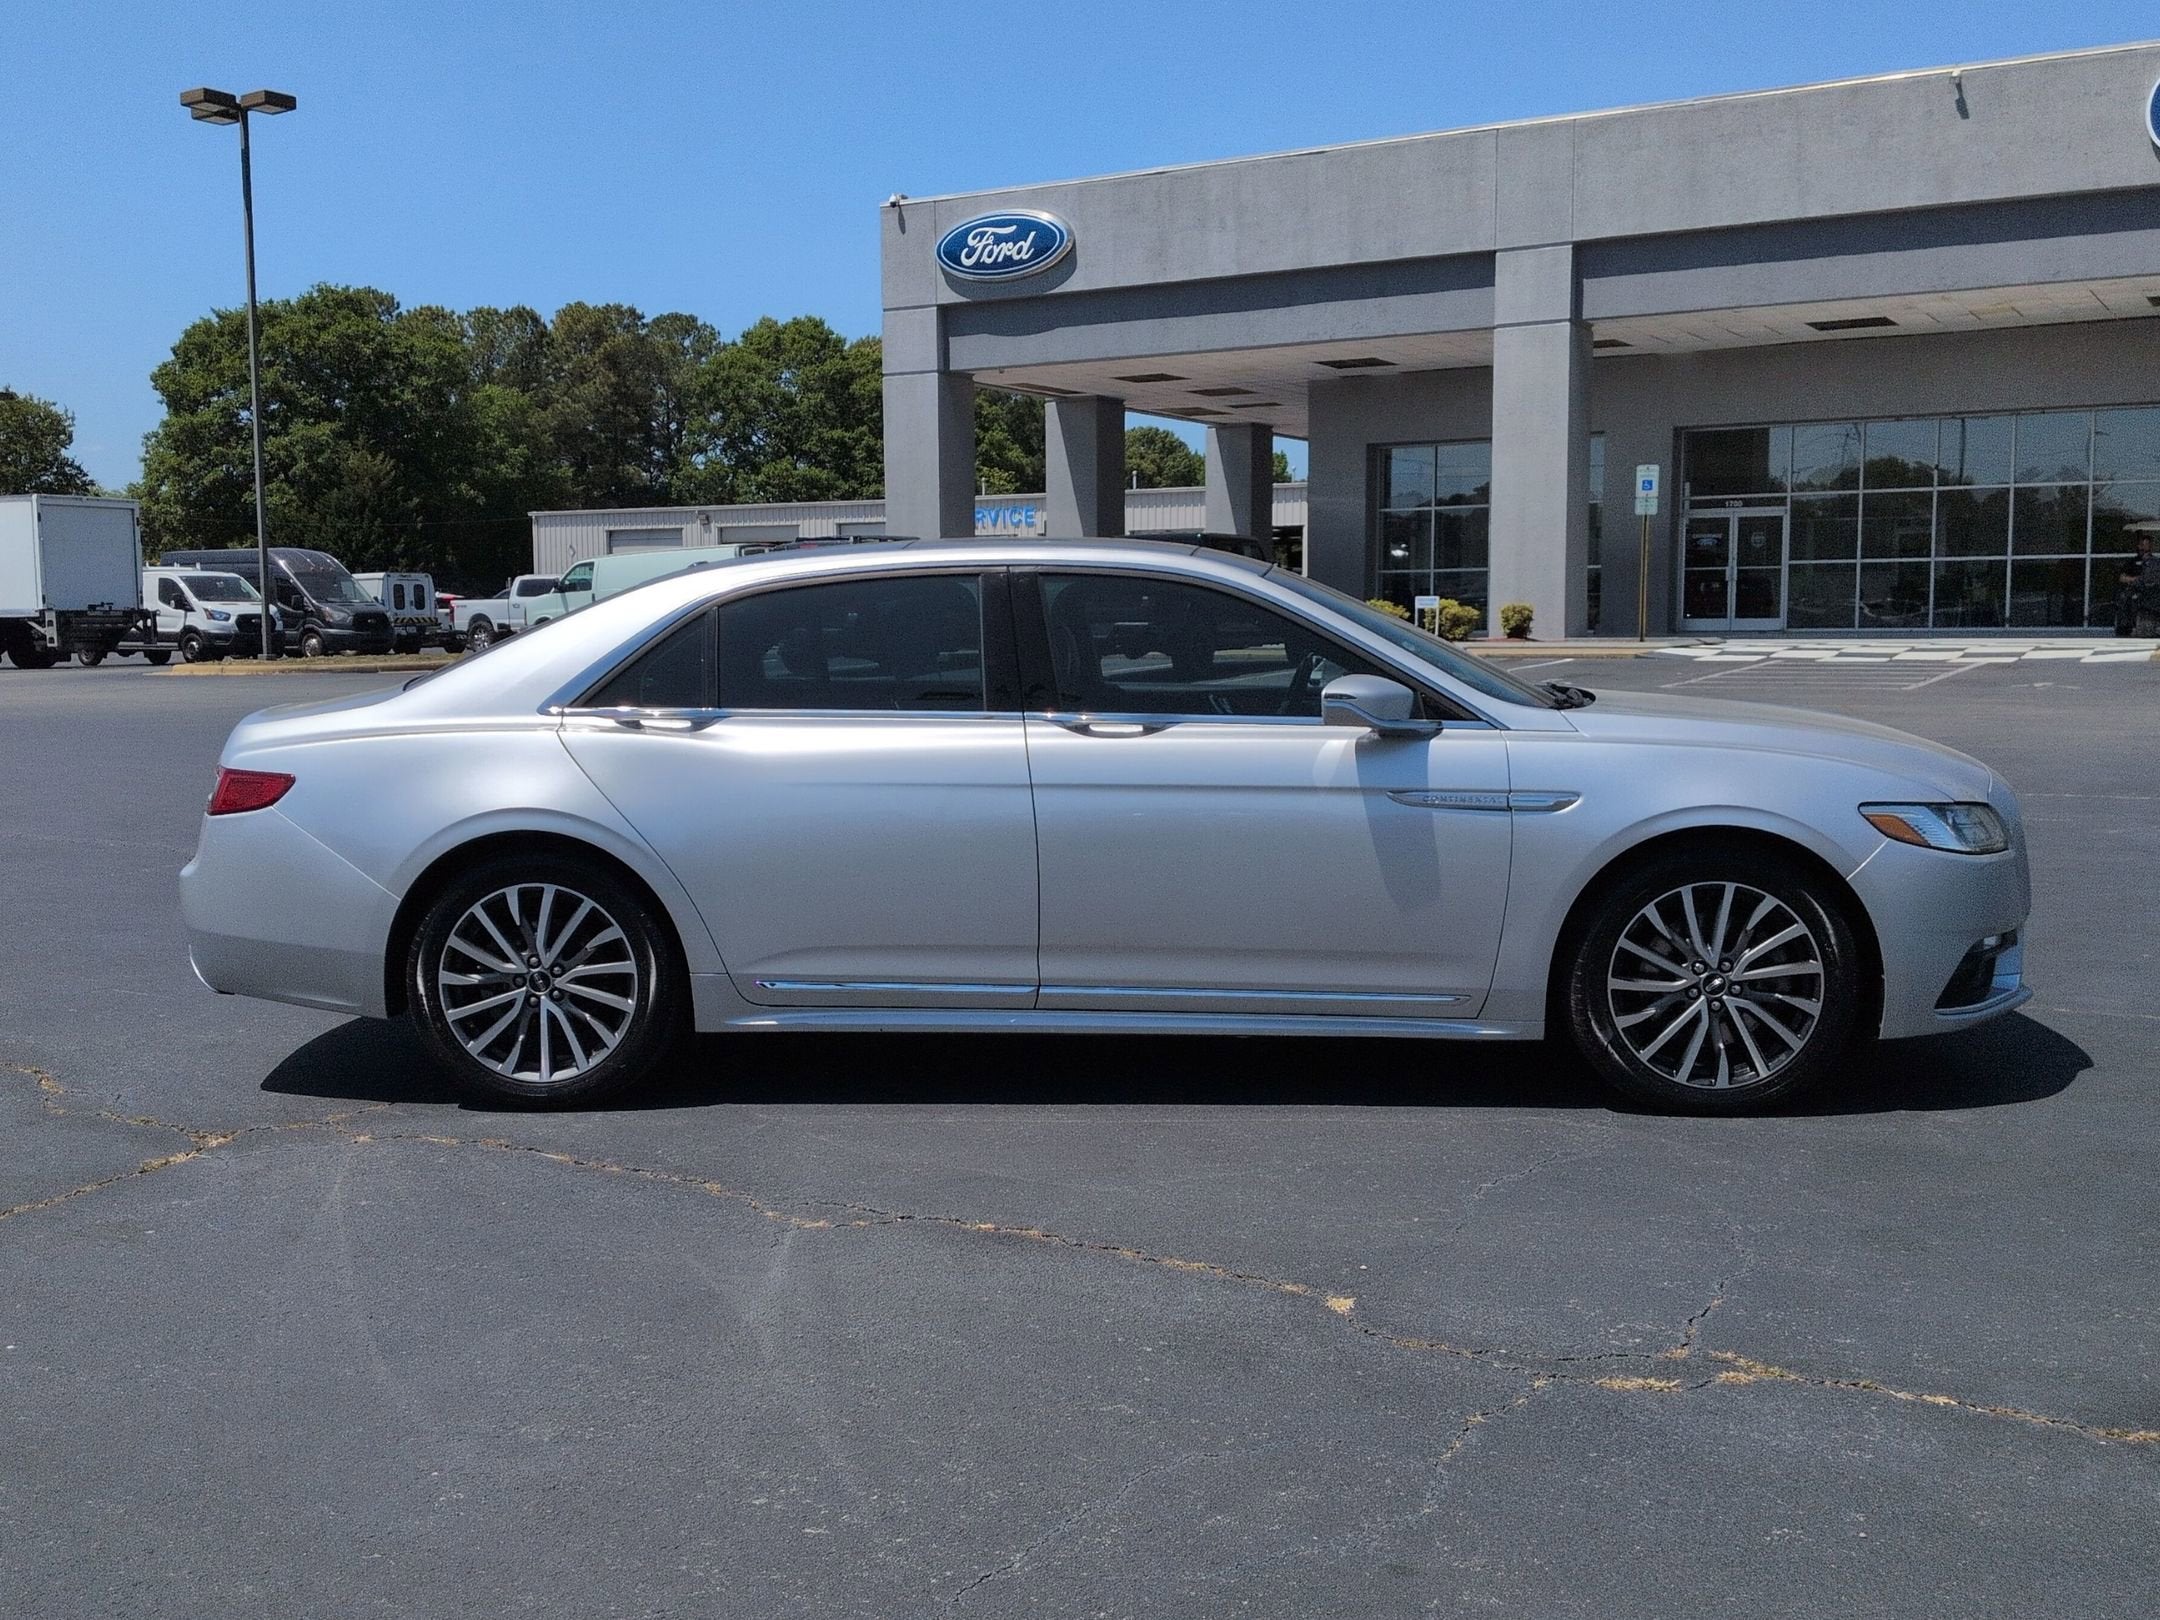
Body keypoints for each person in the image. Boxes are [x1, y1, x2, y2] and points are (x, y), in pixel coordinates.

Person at [2118, 533, 2156, 637]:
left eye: (2147, 544)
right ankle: (2129, 626)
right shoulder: (2132, 562)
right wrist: (2135, 579)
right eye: (2142, 544)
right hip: (2135, 589)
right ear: (2138, 546)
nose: (2144, 547)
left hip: (2153, 590)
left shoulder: (2155, 561)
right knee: (2127, 599)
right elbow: (2122, 577)